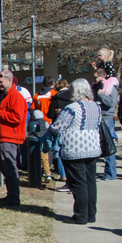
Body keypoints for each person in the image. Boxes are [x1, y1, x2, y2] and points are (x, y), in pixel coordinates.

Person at [50, 79, 101, 224]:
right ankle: (90, 215)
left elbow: (57, 127)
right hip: (92, 148)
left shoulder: (72, 108)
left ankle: (80, 216)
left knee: (78, 184)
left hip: (75, 149)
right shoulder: (96, 106)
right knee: (90, 182)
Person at [0, 70, 28, 206]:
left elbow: (17, 117)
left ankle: (14, 198)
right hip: (2, 136)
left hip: (10, 137)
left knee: (10, 168)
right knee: (5, 168)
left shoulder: (16, 96)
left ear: (10, 80)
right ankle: (10, 195)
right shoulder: (3, 96)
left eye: (1, 82)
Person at [94, 69, 119, 182]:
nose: (94, 80)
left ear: (103, 76)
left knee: (108, 145)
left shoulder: (111, 87)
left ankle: (110, 174)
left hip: (107, 118)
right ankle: (105, 173)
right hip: (97, 116)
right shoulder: (97, 87)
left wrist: (101, 95)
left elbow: (112, 103)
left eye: (95, 77)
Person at [31, 76, 57, 182]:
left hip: (39, 123)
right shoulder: (54, 94)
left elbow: (32, 109)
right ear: (53, 83)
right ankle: (49, 169)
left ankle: (43, 169)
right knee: (50, 147)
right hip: (51, 122)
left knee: (41, 147)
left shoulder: (37, 95)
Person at [48, 79, 70, 186]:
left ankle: (63, 174)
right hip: (70, 127)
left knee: (59, 151)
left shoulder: (55, 98)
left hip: (58, 125)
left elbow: (50, 114)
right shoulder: (72, 97)